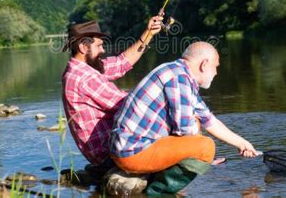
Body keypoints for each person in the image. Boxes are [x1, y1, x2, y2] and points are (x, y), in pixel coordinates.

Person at [109, 41, 258, 194]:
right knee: (206, 147)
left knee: (198, 129)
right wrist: (206, 159)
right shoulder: (179, 78)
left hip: (128, 147)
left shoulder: (178, 72)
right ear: (204, 64)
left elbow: (210, 120)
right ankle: (158, 192)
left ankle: (152, 179)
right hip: (133, 151)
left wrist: (241, 143)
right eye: (216, 66)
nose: (216, 72)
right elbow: (184, 130)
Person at [61, 17, 163, 168]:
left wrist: (148, 33)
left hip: (104, 150)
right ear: (83, 47)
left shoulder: (82, 68)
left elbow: (122, 63)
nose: (103, 50)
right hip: (108, 154)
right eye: (99, 46)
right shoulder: (84, 77)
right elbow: (131, 105)